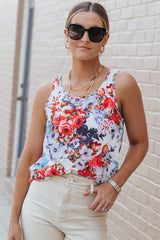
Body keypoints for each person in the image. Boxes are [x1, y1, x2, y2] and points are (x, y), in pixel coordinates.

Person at [8, 2, 148, 240]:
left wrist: (115, 185)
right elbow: (30, 155)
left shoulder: (121, 84)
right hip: (41, 201)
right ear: (66, 34)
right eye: (77, 30)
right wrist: (13, 219)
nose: (85, 38)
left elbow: (140, 143)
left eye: (95, 33)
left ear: (105, 40)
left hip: (88, 206)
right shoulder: (47, 91)